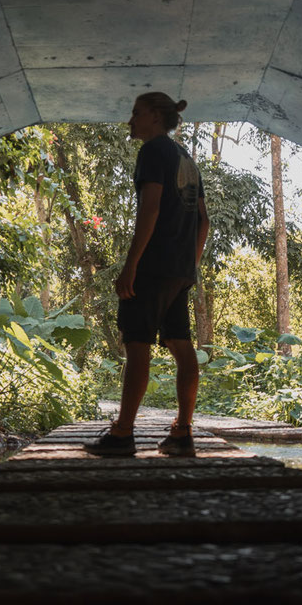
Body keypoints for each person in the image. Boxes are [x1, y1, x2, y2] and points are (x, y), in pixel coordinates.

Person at [84, 92, 210, 457]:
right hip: (180, 270)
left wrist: (131, 264)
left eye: (136, 113)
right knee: (180, 345)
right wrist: (189, 265)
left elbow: (150, 209)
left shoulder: (154, 152)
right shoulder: (186, 159)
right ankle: (182, 433)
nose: (130, 120)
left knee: (137, 343)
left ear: (155, 116)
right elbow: (204, 221)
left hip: (154, 266)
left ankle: (123, 434)